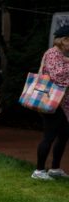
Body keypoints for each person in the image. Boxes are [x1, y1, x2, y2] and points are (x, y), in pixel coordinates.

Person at [32, 25, 69, 181]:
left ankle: (54, 168)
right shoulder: (52, 53)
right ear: (65, 40)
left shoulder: (64, 54)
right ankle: (39, 170)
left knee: (64, 135)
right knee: (49, 136)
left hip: (63, 103)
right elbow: (57, 77)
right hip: (52, 102)